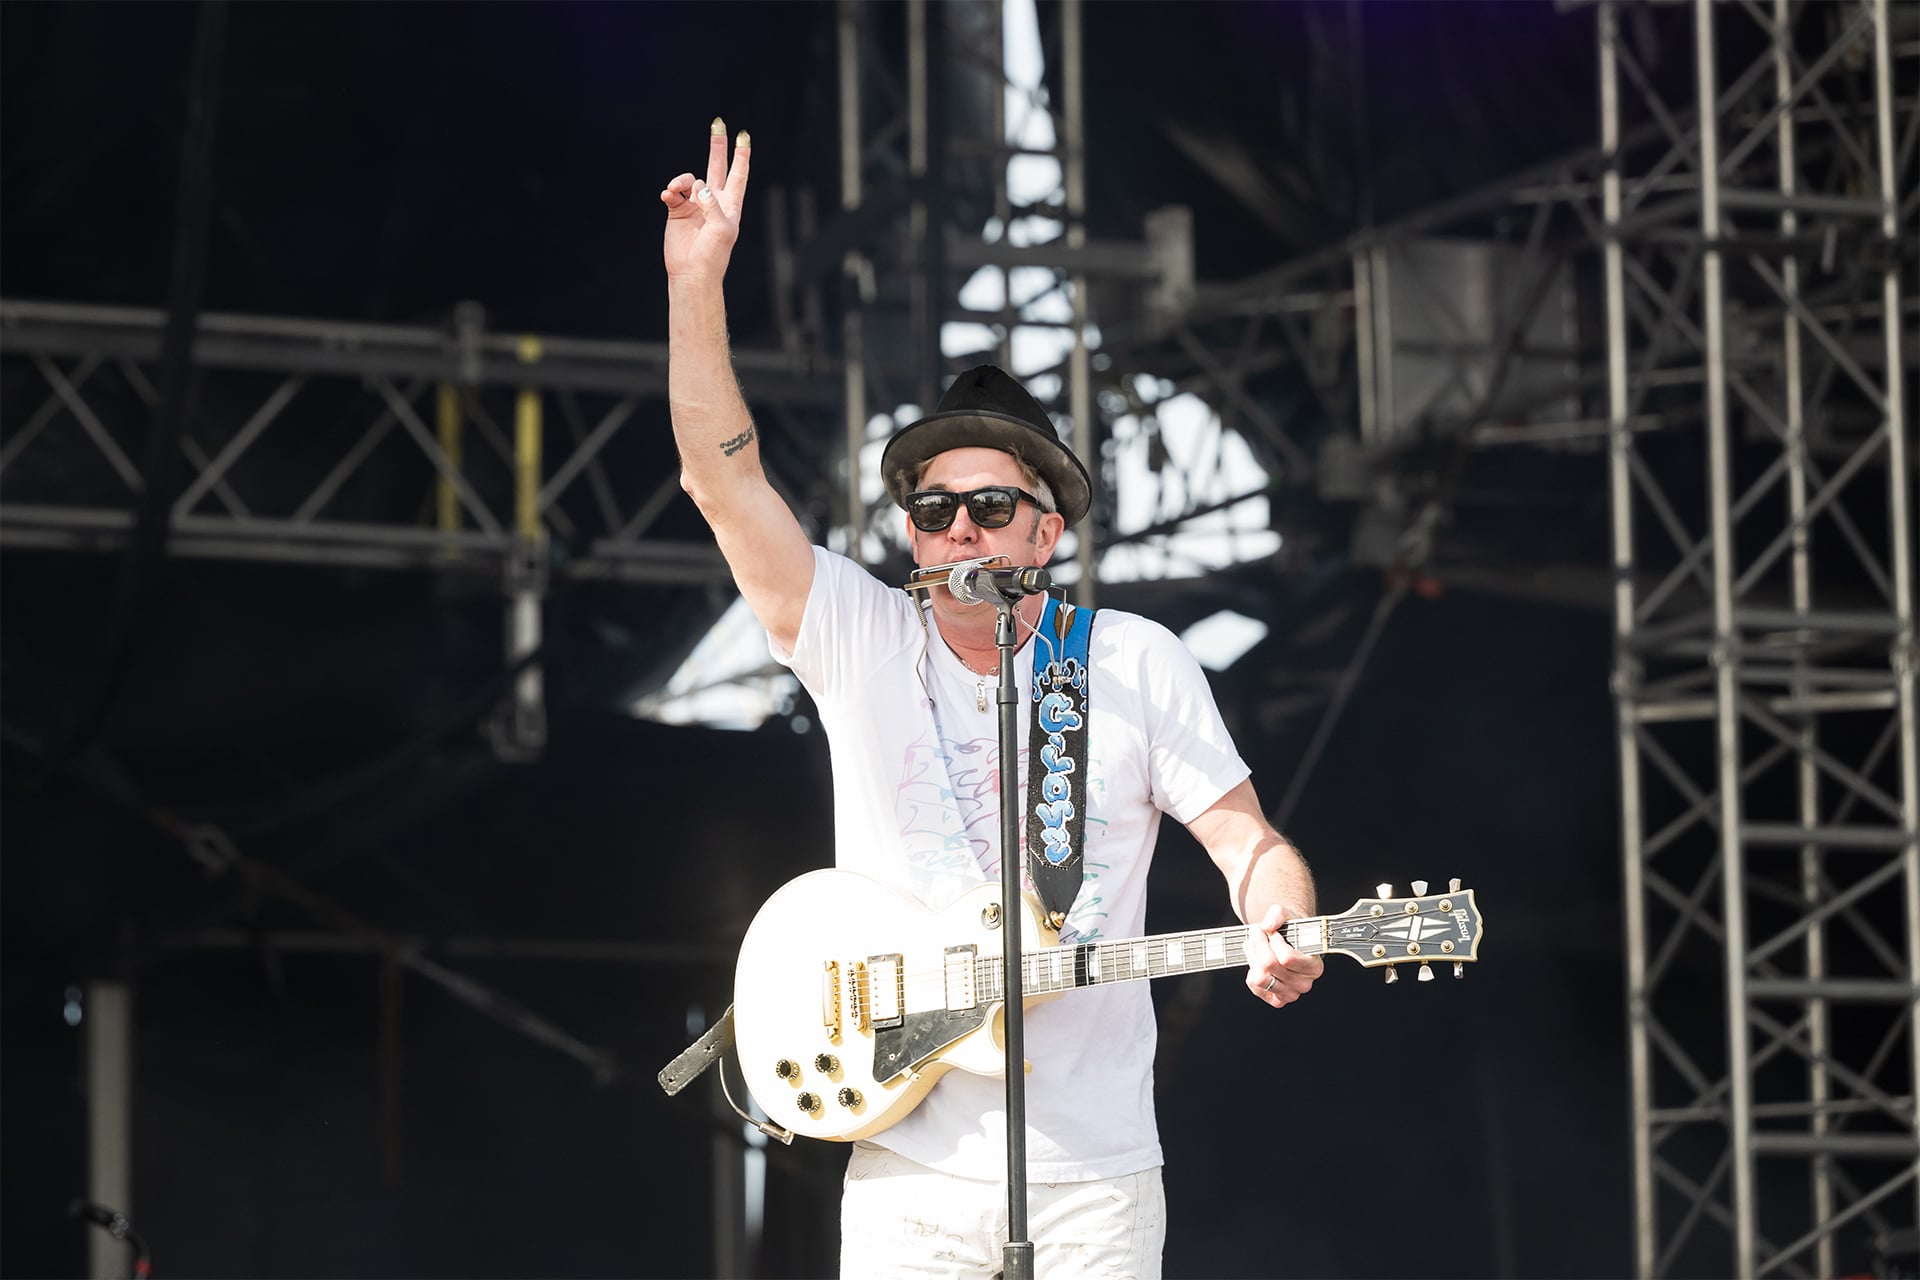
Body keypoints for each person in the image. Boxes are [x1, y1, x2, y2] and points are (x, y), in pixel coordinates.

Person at [661, 118, 1322, 1280]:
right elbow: (722, 478)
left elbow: (1248, 841)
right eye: (932, 509)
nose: (958, 526)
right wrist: (696, 282)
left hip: (1097, 1175)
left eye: (990, 506)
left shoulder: (1125, 660)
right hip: (910, 1168)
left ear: (1048, 529)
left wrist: (1279, 913)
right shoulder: (861, 635)